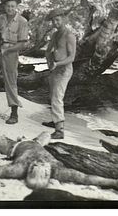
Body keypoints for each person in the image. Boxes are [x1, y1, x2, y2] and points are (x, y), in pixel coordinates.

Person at [45, 9, 76, 139]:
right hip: (55, 67)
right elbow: (48, 50)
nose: (55, 23)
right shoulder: (55, 35)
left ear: (63, 19)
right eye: (53, 21)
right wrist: (49, 61)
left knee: (57, 97)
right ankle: (55, 121)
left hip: (64, 69)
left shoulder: (69, 35)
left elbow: (71, 58)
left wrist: (57, 64)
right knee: (53, 95)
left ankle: (60, 130)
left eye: (57, 20)